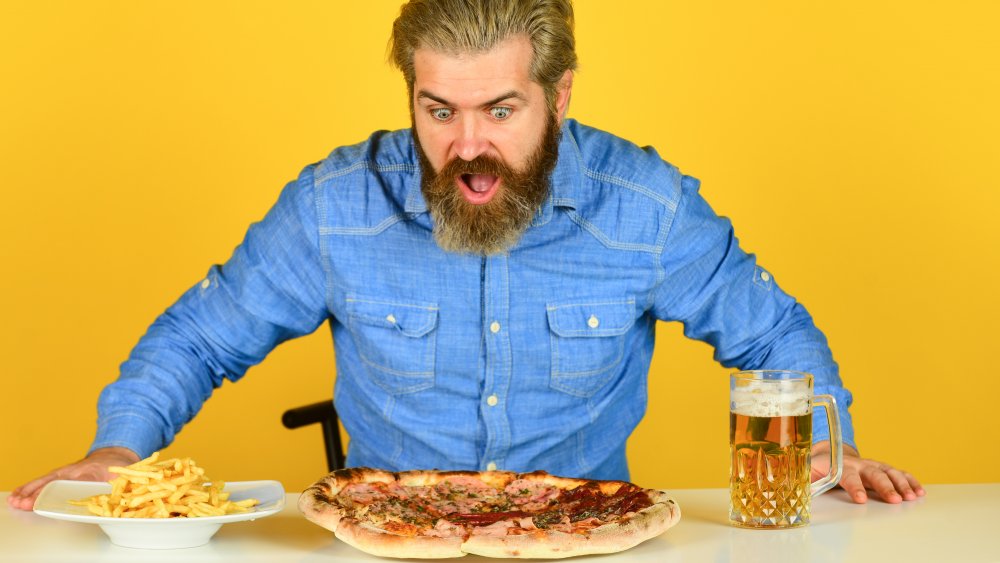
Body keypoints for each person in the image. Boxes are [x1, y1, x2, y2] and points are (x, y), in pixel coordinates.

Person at [9, 0, 922, 510]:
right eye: (439, 111)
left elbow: (774, 335)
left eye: (501, 111)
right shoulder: (336, 206)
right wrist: (117, 447)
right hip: (386, 538)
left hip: (582, 537)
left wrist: (827, 445)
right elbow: (201, 335)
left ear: (559, 95)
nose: (467, 147)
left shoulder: (644, 207)